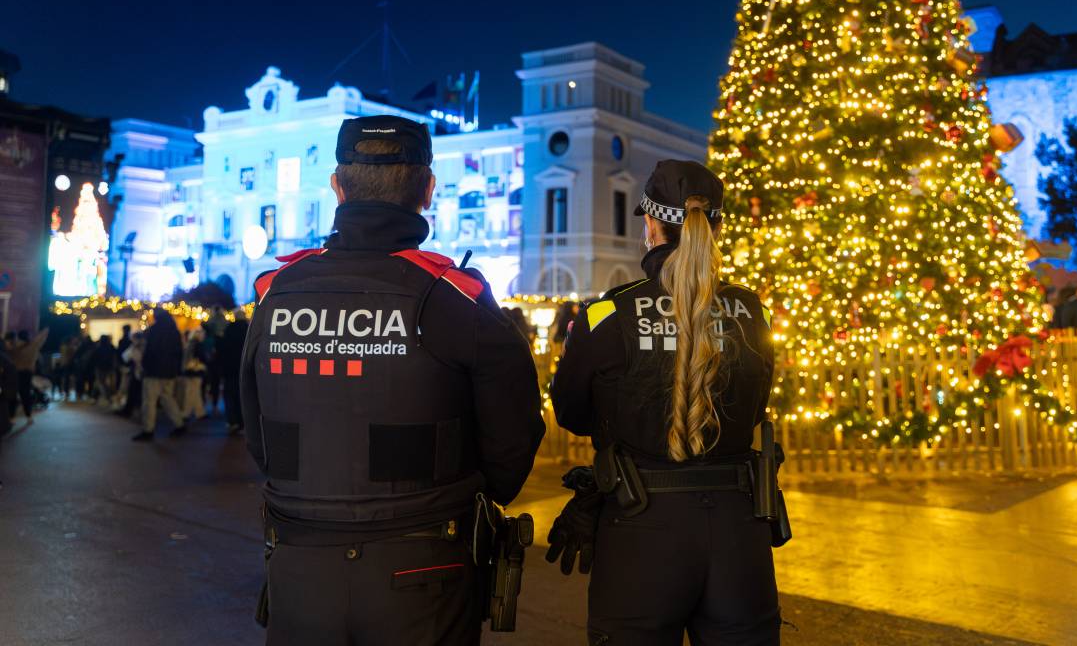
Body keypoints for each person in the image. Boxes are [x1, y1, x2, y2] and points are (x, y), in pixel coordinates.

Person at [240, 115, 545, 646]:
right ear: (428, 189)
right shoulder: (456, 296)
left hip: (299, 565)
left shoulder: (276, 293)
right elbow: (516, 433)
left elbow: (256, 431)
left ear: (336, 187)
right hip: (423, 568)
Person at [549, 160, 780, 645]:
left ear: (651, 225)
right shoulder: (750, 310)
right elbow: (757, 407)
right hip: (739, 529)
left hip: (641, 526)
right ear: (717, 226)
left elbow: (570, 412)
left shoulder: (609, 312)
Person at [132, 308, 186, 441]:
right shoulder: (174, 331)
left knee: (149, 401)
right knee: (167, 398)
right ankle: (179, 423)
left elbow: (148, 351)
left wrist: (144, 366)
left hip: (154, 371)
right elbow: (179, 352)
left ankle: (148, 429)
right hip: (169, 372)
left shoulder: (153, 330)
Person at [219, 309, 249, 434]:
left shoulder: (229, 329)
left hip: (229, 368)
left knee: (230, 395)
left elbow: (223, 349)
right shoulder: (249, 329)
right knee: (242, 395)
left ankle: (232, 421)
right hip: (244, 369)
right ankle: (243, 422)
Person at [9, 329, 48, 422]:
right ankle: (28, 416)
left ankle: (11, 417)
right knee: (25, 394)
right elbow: (41, 339)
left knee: (13, 394)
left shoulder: (13, 346)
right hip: (27, 373)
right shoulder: (33, 346)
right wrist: (46, 330)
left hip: (14, 372)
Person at [178, 328, 208, 420]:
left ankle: (193, 412)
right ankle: (194, 413)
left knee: (192, 392)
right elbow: (202, 357)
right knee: (194, 391)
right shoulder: (198, 344)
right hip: (196, 371)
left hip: (189, 371)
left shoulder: (190, 344)